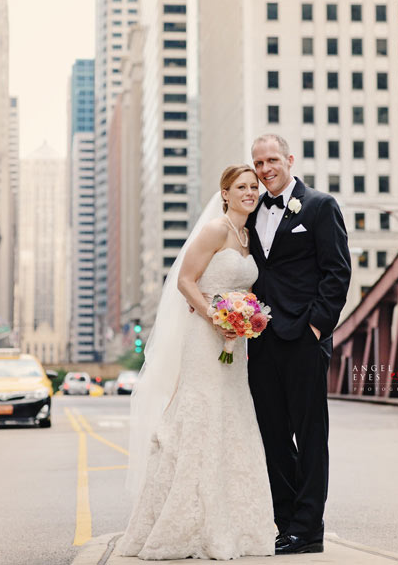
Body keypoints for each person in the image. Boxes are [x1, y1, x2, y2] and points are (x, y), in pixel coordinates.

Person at [118, 164, 274, 560]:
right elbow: (187, 280)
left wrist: (247, 319)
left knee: (232, 418)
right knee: (201, 416)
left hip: (235, 345)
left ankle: (235, 524)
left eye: (254, 187)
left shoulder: (247, 236)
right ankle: (188, 523)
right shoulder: (216, 230)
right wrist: (218, 318)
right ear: (224, 193)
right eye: (241, 187)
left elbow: (245, 288)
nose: (249, 193)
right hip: (207, 339)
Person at [247, 134, 351, 556]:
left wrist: (316, 328)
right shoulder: (252, 211)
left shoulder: (319, 206)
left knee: (309, 436)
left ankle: (309, 529)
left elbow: (337, 272)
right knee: (272, 436)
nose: (266, 168)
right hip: (262, 341)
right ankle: (286, 522)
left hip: (304, 339)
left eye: (272, 159)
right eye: (258, 163)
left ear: (289, 160)